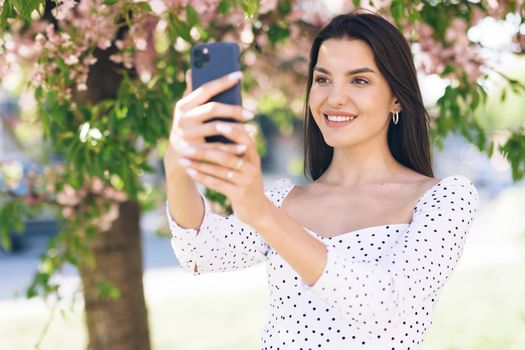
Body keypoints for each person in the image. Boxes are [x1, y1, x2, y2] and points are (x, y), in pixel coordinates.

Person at [163, 10, 480, 350]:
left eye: (359, 80)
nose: (334, 97)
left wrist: (262, 215)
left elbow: (389, 312)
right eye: (323, 79)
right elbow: (200, 252)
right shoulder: (284, 201)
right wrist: (177, 159)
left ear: (397, 98)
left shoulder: (444, 199)